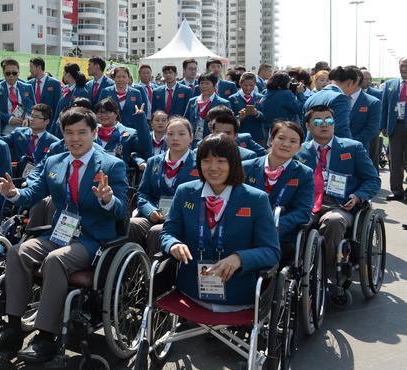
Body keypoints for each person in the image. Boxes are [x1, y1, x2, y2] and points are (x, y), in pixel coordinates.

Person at [0, 107, 128, 362]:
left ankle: (45, 337)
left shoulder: (111, 166)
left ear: (94, 133)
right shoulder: (55, 162)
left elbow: (122, 209)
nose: (75, 138)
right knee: (18, 252)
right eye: (69, 133)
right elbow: (32, 194)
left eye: (82, 132)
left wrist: (108, 199)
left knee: (55, 260)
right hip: (60, 233)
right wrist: (13, 193)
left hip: (93, 240)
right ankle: (13, 330)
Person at [159, 133, 280, 311]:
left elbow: (271, 252)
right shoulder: (185, 192)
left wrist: (239, 258)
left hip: (238, 297)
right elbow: (168, 233)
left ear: (233, 164)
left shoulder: (256, 199)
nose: (213, 167)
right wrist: (173, 244)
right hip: (190, 292)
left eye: (221, 161)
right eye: (206, 160)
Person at [296, 106, 380, 282]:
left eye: (329, 121)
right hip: (307, 204)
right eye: (318, 121)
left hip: (340, 205)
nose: (324, 125)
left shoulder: (352, 148)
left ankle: (330, 278)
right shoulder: (298, 151)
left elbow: (373, 179)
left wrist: (358, 195)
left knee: (333, 221)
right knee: (292, 222)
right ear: (308, 126)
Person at [128, 117, 199, 256]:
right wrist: (150, 211)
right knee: (133, 225)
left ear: (191, 137)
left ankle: (152, 275)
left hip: (183, 219)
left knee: (157, 232)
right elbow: (142, 194)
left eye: (181, 134)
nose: (175, 138)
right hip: (156, 215)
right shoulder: (154, 161)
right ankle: (130, 270)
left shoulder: (199, 164)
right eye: (170, 134)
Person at [242, 122, 314, 253]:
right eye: (281, 138)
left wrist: (274, 226)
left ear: (299, 147)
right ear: (270, 140)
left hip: (280, 235)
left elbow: (303, 211)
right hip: (244, 230)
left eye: (293, 141)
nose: (286, 144)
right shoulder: (246, 167)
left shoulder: (304, 174)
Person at [304, 65, 359, 140]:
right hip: (328, 148)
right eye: (356, 86)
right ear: (350, 83)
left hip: (310, 147)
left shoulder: (312, 97)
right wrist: (352, 149)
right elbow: (341, 130)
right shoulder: (340, 98)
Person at [3, 103, 58, 174]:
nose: (32, 119)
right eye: (31, 116)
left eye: (36, 117)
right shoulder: (18, 133)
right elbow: (1, 141)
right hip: (17, 176)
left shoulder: (53, 143)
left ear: (46, 121)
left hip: (39, 178)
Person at [381, 57, 407, 201]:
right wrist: (383, 125)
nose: (404, 68)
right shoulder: (390, 84)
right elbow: (384, 107)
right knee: (395, 160)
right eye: (402, 65)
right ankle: (397, 191)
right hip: (394, 126)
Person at [184, 74, 232, 145]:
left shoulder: (223, 103)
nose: (204, 86)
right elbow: (186, 120)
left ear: (214, 85)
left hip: (215, 141)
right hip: (194, 141)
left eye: (207, 83)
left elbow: (229, 124)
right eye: (201, 83)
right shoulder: (192, 101)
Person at [0, 59, 35, 137]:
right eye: (8, 73)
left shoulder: (27, 87)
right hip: (4, 132)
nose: (11, 76)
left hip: (24, 131)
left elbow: (33, 107)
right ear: (3, 73)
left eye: (14, 73)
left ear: (19, 73)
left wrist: (27, 118)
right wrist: (9, 119)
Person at [348, 70, 382, 155]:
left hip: (360, 147)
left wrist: (351, 142)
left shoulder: (373, 101)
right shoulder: (338, 99)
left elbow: (372, 128)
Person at [50, 63, 88, 135]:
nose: (63, 74)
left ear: (69, 74)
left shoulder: (81, 92)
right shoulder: (64, 89)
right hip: (58, 129)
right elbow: (57, 113)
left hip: (69, 131)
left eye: (64, 72)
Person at [229, 72, 266, 146]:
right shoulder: (232, 98)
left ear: (255, 84)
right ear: (240, 83)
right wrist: (238, 117)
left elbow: (265, 117)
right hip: (239, 136)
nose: (248, 88)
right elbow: (229, 119)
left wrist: (257, 113)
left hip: (257, 136)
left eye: (251, 85)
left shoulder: (261, 97)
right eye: (245, 85)